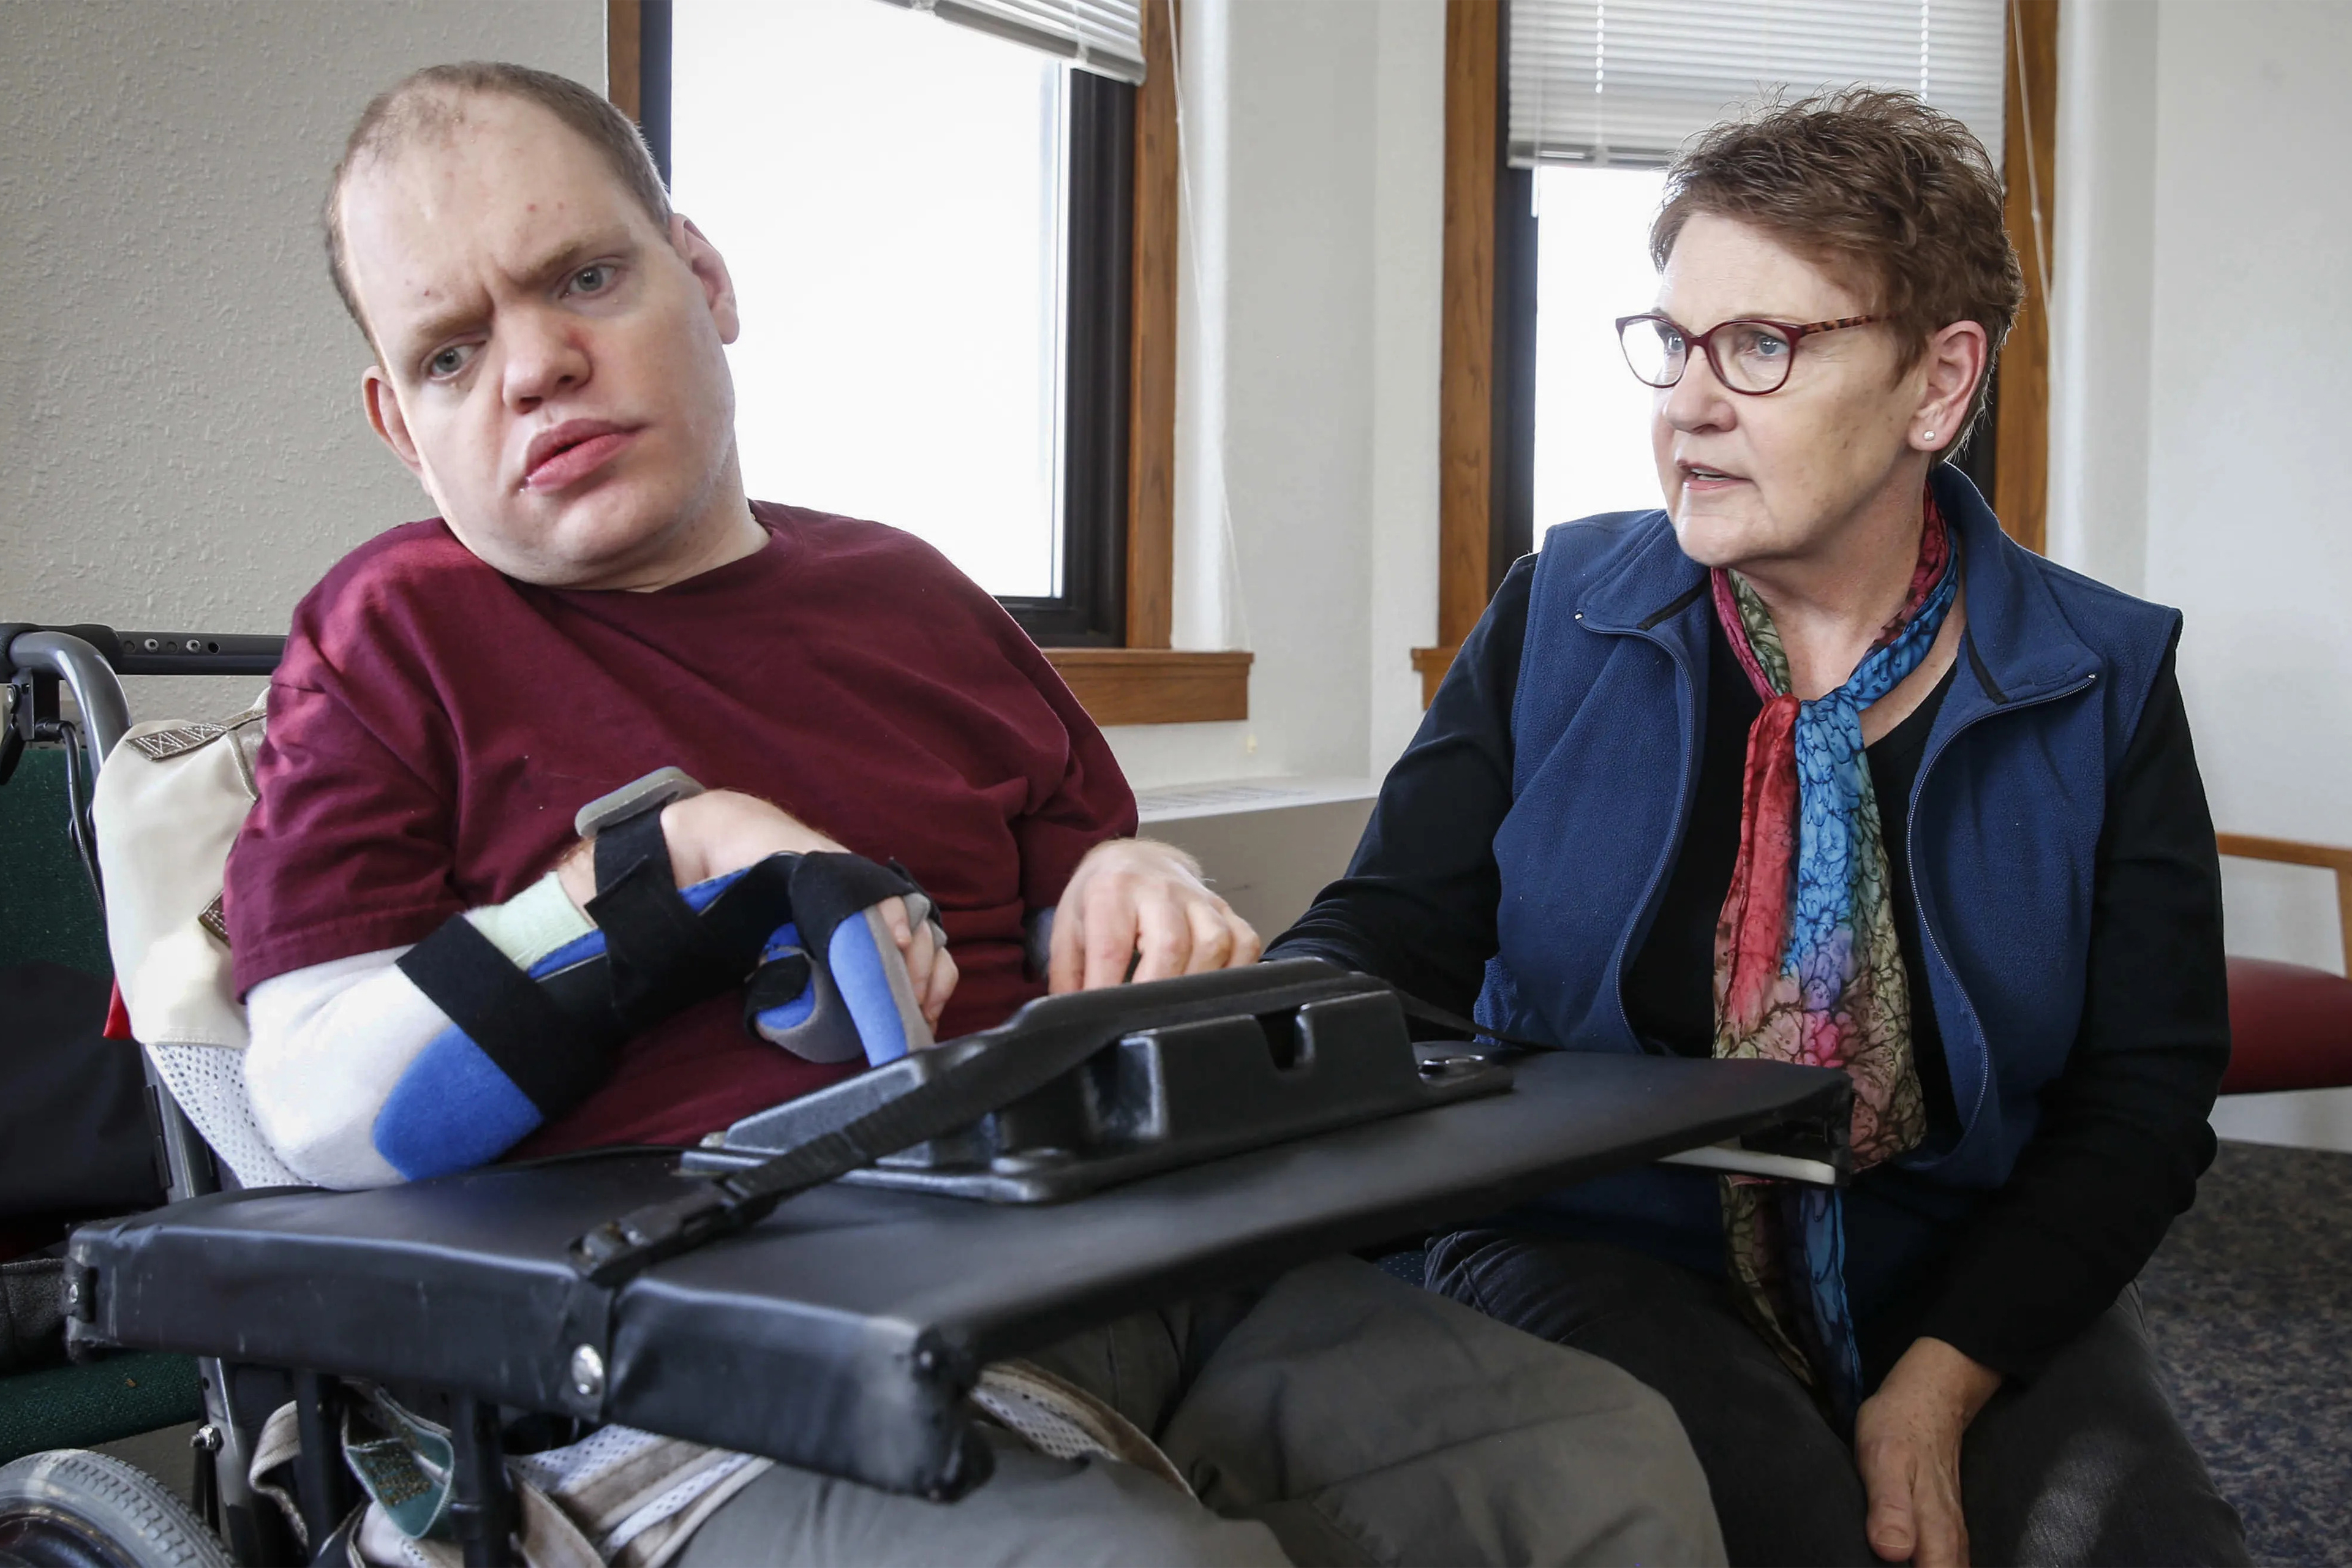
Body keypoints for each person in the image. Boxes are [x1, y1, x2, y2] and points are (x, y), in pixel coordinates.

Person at [221, 61, 1723, 1567]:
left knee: (1599, 1458)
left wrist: (1138, 874)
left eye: (586, 278)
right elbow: (323, 1106)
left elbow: (1084, 881)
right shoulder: (393, 637)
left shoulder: (911, 597)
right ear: (400, 425)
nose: (536, 367)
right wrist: (671, 863)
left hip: (1117, 1264)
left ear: (705, 276)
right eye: (450, 353)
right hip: (712, 1386)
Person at [1272, 90, 2247, 1568]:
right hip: (1597, 1239)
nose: (1688, 405)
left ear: (1938, 383)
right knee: (1792, 1532)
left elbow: (2144, 1099)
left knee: (2147, 1549)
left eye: (1762, 346)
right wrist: (1225, 1015)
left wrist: (1942, 1380)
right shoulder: (1561, 612)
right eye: (1674, 342)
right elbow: (1388, 939)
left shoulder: (2101, 675)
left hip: (1962, 1263)